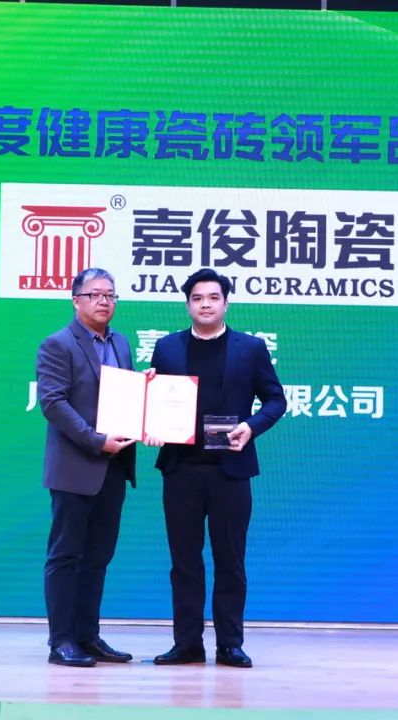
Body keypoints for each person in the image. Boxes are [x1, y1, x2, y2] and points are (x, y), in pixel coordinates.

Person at [146, 268, 286, 668]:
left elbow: (275, 400)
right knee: (184, 562)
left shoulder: (251, 347)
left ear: (226, 302)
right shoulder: (167, 348)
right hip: (181, 471)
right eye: (197, 298)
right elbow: (156, 401)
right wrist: (147, 406)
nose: (205, 304)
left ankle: (230, 644)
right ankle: (187, 644)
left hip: (231, 471)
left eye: (213, 297)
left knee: (230, 561)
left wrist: (251, 427)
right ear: (187, 304)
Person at [36, 267, 138, 668]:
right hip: (75, 468)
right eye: (94, 294)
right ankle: (61, 641)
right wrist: (96, 440)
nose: (103, 301)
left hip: (114, 467)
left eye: (110, 295)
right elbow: (53, 403)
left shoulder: (121, 343)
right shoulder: (58, 344)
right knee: (66, 556)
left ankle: (87, 636)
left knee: (98, 557)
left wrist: (145, 394)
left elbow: (125, 398)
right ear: (76, 300)